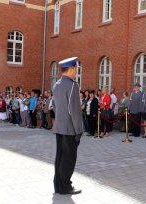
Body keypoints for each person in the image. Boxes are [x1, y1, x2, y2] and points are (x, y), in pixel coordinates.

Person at [53, 57, 83, 195]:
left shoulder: (57, 84)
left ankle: (58, 185)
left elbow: (54, 105)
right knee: (69, 159)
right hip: (70, 129)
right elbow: (74, 110)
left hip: (59, 127)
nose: (76, 72)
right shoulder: (72, 85)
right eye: (75, 69)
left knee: (59, 157)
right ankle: (65, 186)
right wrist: (79, 130)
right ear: (71, 69)